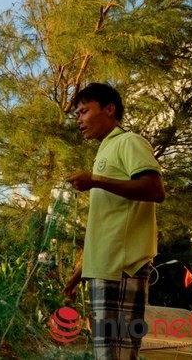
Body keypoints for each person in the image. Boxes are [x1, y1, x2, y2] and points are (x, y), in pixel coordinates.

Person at [63, 83, 165, 359]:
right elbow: (111, 223)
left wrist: (95, 180)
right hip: (103, 269)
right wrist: (82, 270)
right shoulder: (104, 151)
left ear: (109, 110)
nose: (79, 120)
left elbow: (155, 190)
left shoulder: (128, 142)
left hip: (123, 269)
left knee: (117, 355)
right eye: (77, 114)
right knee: (108, 354)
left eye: (84, 111)